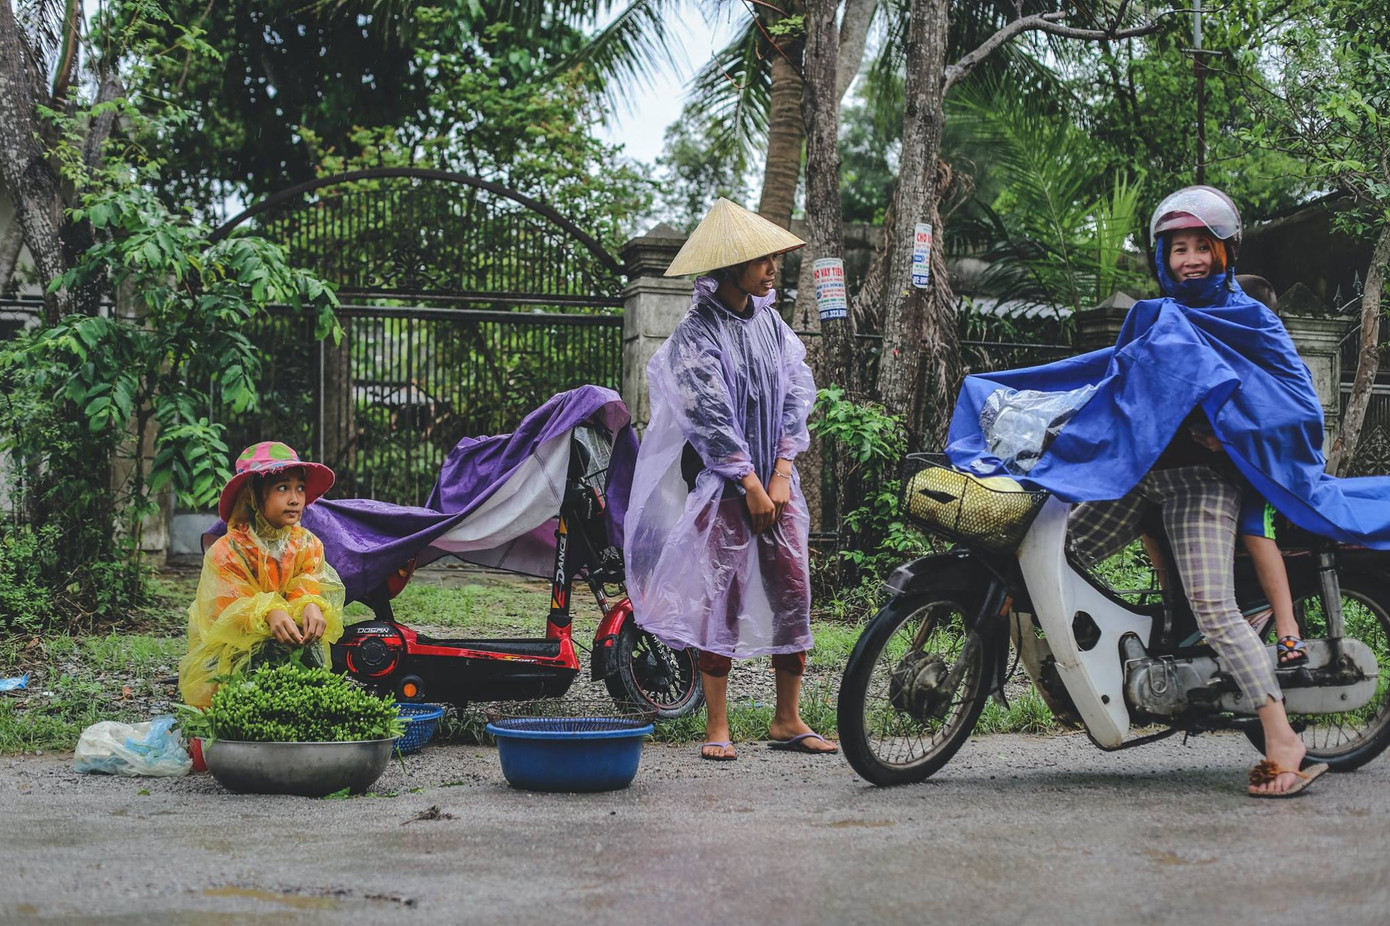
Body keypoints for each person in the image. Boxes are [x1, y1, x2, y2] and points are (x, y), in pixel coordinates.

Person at [623, 198, 835, 761]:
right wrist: (750, 484)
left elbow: (795, 395)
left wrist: (781, 472)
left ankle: (787, 718)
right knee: (721, 594)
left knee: (793, 589)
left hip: (777, 486)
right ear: (732, 267)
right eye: (762, 260)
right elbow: (709, 419)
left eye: (773, 259)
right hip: (725, 490)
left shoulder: (771, 324)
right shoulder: (696, 334)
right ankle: (717, 725)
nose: (772, 268)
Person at [179, 441, 346, 708]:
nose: (295, 499)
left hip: (290, 646)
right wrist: (268, 613)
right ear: (253, 495)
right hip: (233, 655)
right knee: (241, 700)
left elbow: (307, 584)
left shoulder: (307, 544)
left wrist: (311, 605)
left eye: (300, 488)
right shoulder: (227, 552)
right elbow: (226, 615)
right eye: (283, 488)